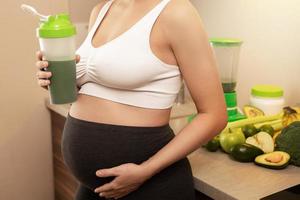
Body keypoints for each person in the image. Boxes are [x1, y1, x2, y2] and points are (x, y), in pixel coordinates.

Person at [35, 0, 227, 199]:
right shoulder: (101, 10)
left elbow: (214, 115)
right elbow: (98, 89)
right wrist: (58, 79)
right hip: (93, 188)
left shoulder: (177, 12)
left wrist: (146, 170)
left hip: (151, 185)